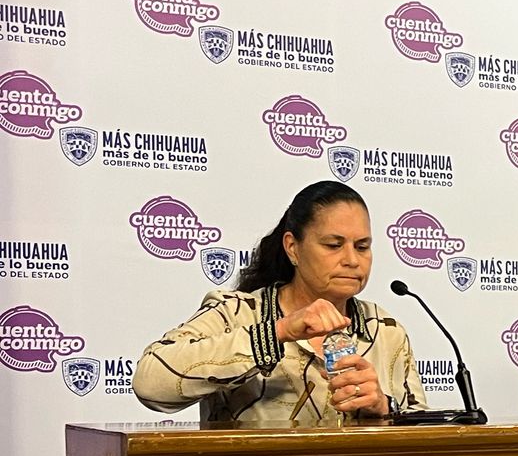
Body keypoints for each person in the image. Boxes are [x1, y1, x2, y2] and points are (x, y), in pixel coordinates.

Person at [134, 181, 426, 425]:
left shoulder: (385, 330)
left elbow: (425, 435)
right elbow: (149, 383)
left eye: (362, 246)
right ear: (292, 247)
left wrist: (383, 407)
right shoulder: (237, 313)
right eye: (333, 245)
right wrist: (278, 332)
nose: (352, 259)